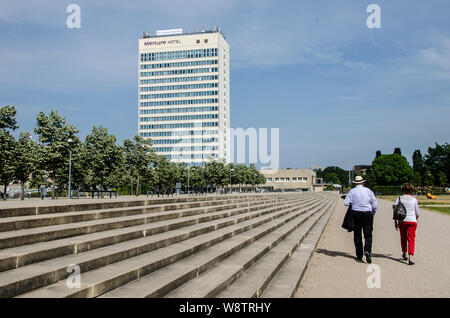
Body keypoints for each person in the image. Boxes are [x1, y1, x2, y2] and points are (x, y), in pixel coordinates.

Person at [344, 176, 378, 263]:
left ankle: (359, 254)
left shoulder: (352, 191)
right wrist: (372, 212)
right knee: (368, 234)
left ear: (355, 183)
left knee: (357, 234)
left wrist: (353, 203)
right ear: (363, 182)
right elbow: (375, 204)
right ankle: (367, 250)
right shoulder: (368, 191)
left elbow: (346, 203)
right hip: (367, 212)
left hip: (356, 213)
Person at [394, 183, 420, 265]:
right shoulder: (414, 200)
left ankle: (404, 253)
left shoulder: (399, 198)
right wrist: (416, 219)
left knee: (403, 237)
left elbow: (395, 210)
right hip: (412, 221)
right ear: (411, 190)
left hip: (402, 221)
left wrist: (395, 222)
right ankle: (411, 256)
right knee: (411, 238)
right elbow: (417, 213)